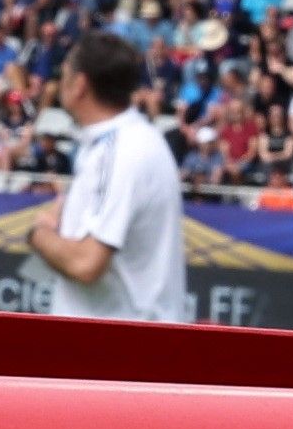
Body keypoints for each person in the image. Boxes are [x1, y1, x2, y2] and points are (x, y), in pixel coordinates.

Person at [27, 30, 192, 323]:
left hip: (118, 354)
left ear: (79, 85)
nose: (57, 81)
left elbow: (86, 263)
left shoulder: (120, 152)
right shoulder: (127, 141)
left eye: (64, 73)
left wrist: (39, 233)